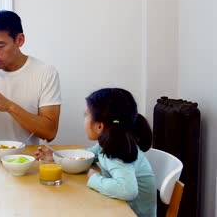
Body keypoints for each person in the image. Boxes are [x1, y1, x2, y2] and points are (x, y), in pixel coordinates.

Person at [36, 88, 156, 217]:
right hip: (117, 207)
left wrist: (94, 178)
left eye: (86, 115)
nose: (84, 119)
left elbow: (127, 190)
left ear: (99, 126)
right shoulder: (108, 142)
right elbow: (87, 157)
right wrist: (55, 157)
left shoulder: (117, 150)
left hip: (132, 213)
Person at [0, 10, 62, 145]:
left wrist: (9, 106)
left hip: (24, 160)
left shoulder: (46, 72)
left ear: (20, 40)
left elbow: (49, 133)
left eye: (0, 45)